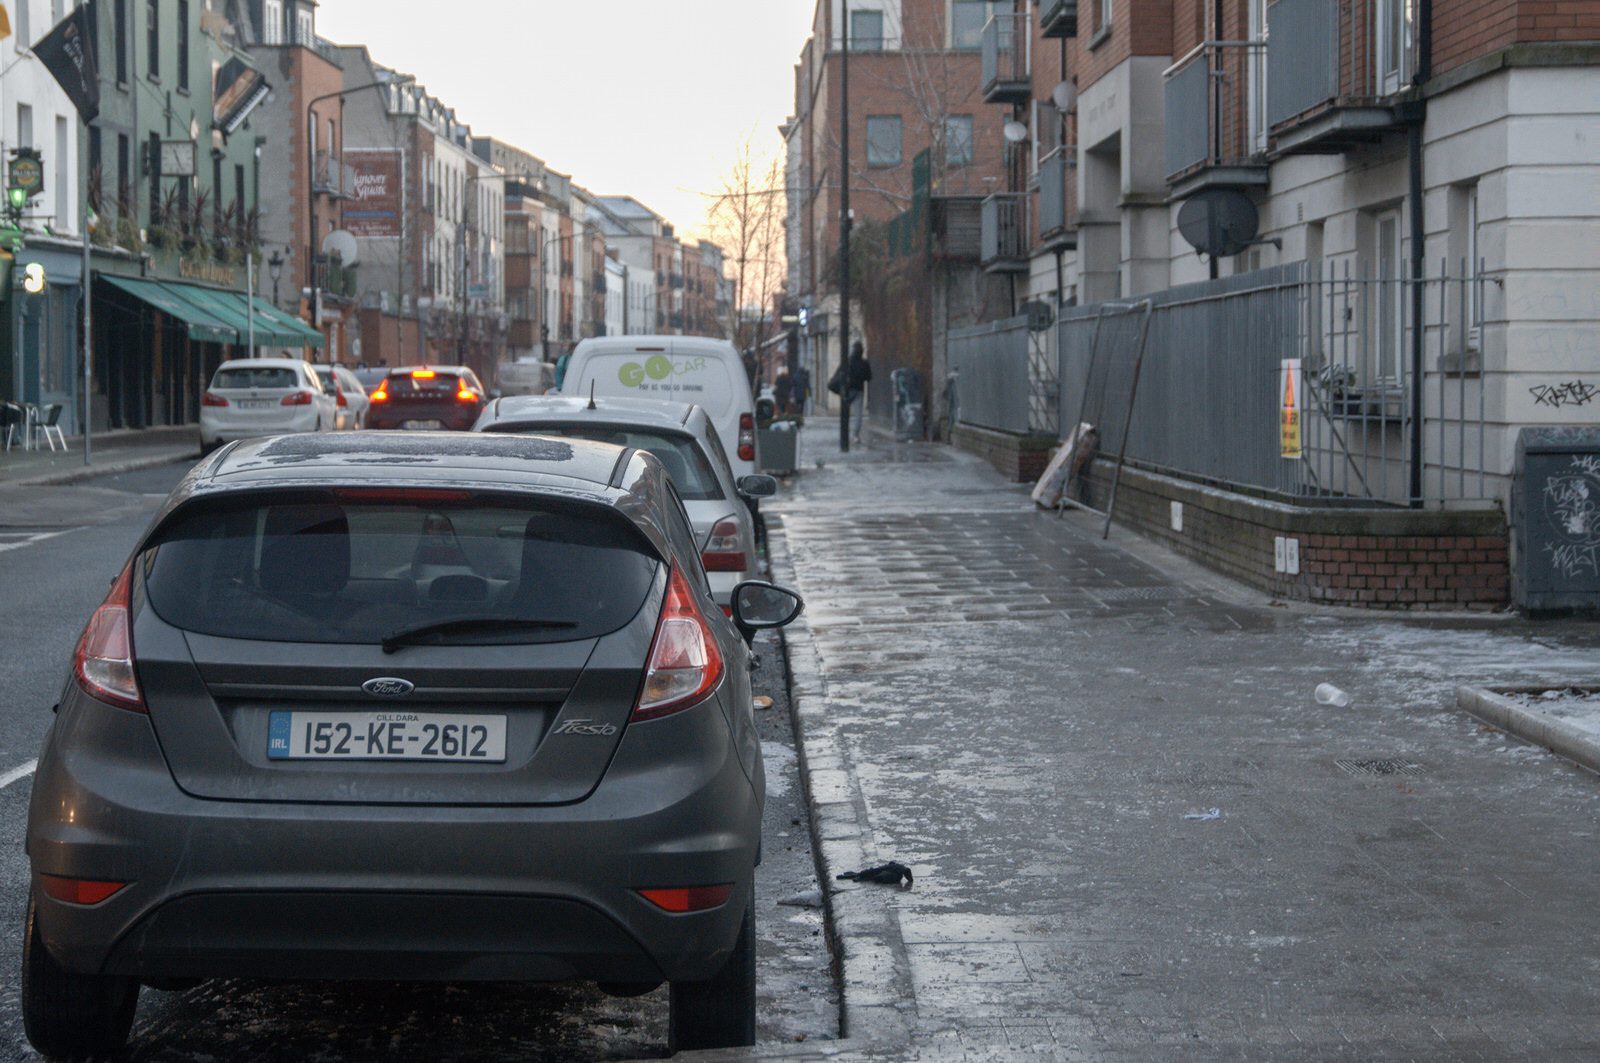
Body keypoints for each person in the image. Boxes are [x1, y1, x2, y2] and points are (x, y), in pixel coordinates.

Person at [846, 341, 872, 443]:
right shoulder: (864, 363)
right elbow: (869, 377)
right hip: (859, 390)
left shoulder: (849, 361)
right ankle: (855, 435)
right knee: (858, 414)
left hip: (848, 389)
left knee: (845, 413)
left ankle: (845, 432)